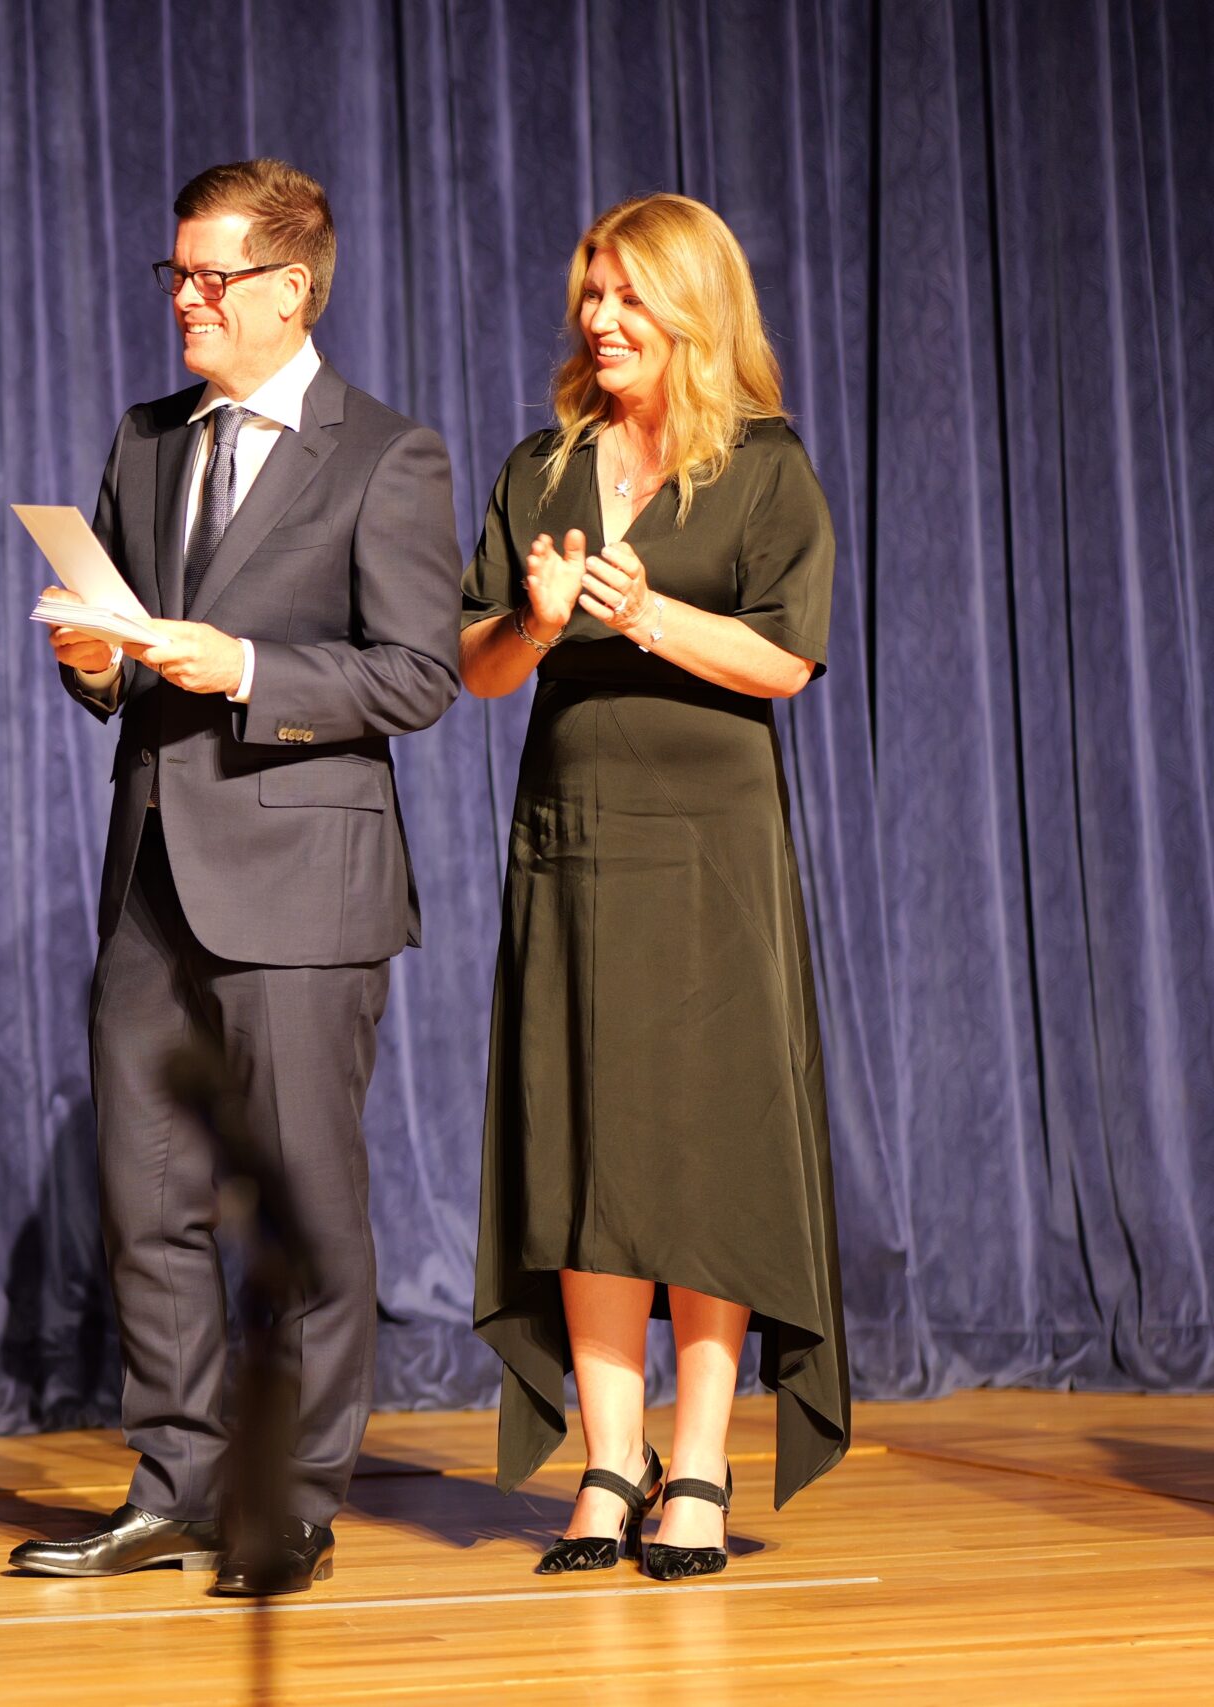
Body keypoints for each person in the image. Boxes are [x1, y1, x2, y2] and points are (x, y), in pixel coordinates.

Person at [12, 158, 461, 1595]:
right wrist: (93, 660)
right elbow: (119, 658)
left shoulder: (387, 454)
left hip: (302, 887)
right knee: (145, 1203)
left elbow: (418, 674)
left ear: (291, 289)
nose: (187, 300)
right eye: (177, 275)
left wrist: (251, 667)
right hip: (152, 873)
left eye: (212, 277)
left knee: (303, 1205)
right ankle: (176, 1483)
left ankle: (294, 1500)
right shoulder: (147, 440)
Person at [458, 192, 849, 1580]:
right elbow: (480, 668)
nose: (600, 320)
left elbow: (788, 663)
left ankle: (698, 1463)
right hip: (573, 838)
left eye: (626, 297)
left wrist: (654, 617)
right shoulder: (543, 466)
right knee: (586, 1144)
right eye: (590, 295)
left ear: (692, 309)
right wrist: (541, 618)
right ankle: (608, 1462)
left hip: (709, 850)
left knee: (701, 1149)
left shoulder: (763, 469)